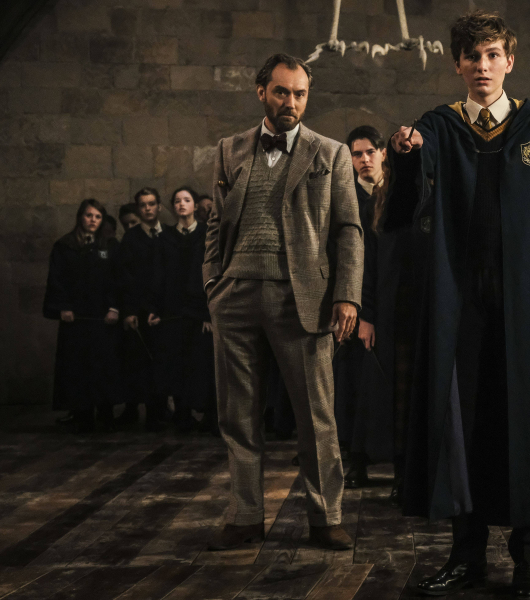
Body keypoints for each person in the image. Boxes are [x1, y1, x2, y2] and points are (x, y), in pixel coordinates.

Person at [387, 11, 530, 597]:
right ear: (457, 64)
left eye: (492, 55)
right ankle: (465, 554)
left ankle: (527, 558)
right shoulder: (439, 127)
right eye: (472, 56)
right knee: (462, 428)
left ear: (510, 61)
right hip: (460, 309)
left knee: (525, 425)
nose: (482, 67)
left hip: (529, 306)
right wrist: (406, 153)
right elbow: (406, 201)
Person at [204, 53, 364, 552]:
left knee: (316, 415)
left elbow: (349, 230)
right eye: (281, 92)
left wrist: (347, 295)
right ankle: (245, 516)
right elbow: (216, 223)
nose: (291, 101)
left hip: (303, 298)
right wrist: (213, 284)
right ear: (262, 93)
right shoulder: (230, 149)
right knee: (237, 415)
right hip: (235, 295)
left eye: (299, 93)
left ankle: (326, 517)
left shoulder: (331, 153)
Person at [340, 126, 421, 503]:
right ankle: (360, 460)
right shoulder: (369, 202)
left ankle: (406, 470)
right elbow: (367, 266)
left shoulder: (420, 197)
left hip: (412, 310)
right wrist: (366, 314)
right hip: (380, 309)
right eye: (357, 154)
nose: (365, 159)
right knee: (368, 390)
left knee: (406, 394)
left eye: (370, 152)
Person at [43, 199, 121, 434]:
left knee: (103, 366)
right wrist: (63, 307)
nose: (93, 220)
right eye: (89, 215)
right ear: (80, 217)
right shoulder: (65, 246)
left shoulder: (109, 245)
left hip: (103, 318)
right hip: (75, 319)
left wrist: (114, 307)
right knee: (78, 367)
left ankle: (106, 415)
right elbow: (57, 279)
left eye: (97, 216)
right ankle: (83, 415)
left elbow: (118, 279)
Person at [147, 187, 216, 434]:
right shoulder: (165, 238)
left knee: (202, 365)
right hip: (173, 312)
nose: (181, 204)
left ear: (195, 205)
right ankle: (182, 415)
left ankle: (209, 416)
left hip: (199, 312)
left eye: (186, 200)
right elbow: (158, 276)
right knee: (176, 365)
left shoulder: (207, 235)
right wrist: (155, 308)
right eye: (177, 201)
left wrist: (209, 313)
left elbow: (213, 274)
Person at [117, 187, 169, 431]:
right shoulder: (131, 239)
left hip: (164, 312)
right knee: (142, 363)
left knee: (163, 361)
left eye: (151, 204)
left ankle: (163, 410)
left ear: (159, 206)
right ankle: (149, 413)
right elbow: (125, 278)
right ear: (138, 209)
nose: (147, 208)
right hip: (140, 310)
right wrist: (129, 311)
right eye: (143, 205)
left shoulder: (168, 235)